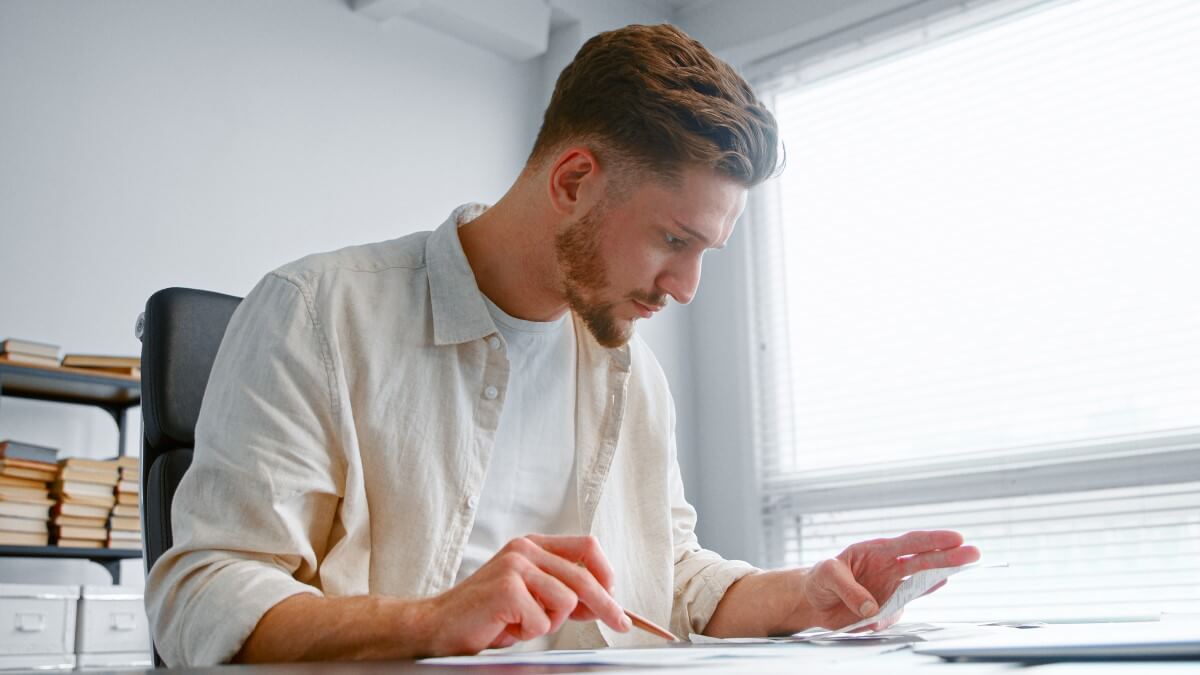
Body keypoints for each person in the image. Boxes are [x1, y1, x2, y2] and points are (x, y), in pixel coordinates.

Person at [145, 23, 979, 666]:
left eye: (704, 254)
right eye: (673, 241)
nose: (685, 287)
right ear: (574, 179)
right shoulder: (317, 312)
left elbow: (670, 580)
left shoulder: (629, 372)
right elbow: (200, 596)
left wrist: (804, 594)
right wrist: (433, 620)